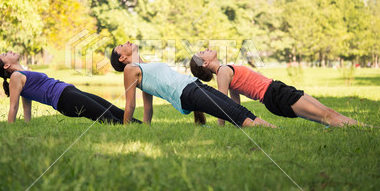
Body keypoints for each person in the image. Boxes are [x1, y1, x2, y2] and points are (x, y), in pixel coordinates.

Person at [110, 41, 277, 128]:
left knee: (236, 108)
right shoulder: (130, 69)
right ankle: (269, 131)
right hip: (187, 92)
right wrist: (128, 129)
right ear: (122, 59)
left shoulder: (143, 68)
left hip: (192, 84)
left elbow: (148, 108)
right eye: (121, 46)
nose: (126, 42)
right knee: (232, 112)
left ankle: (272, 128)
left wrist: (146, 126)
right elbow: (130, 104)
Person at [190, 48, 361, 127]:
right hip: (275, 96)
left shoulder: (226, 70)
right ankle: (366, 129)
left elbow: (234, 103)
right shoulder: (223, 72)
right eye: (202, 53)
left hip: (278, 89)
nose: (205, 49)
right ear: (205, 63)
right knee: (327, 116)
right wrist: (222, 128)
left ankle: (364, 128)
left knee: (329, 113)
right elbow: (223, 105)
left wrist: (236, 120)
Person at [0, 51, 141, 124]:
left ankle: (141, 126)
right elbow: (14, 107)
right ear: (6, 65)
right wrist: (10, 130)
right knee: (107, 117)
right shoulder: (15, 77)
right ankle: (131, 131)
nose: (9, 51)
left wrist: (27, 124)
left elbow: (27, 105)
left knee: (112, 109)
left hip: (69, 92)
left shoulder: (23, 74)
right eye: (5, 54)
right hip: (65, 99)